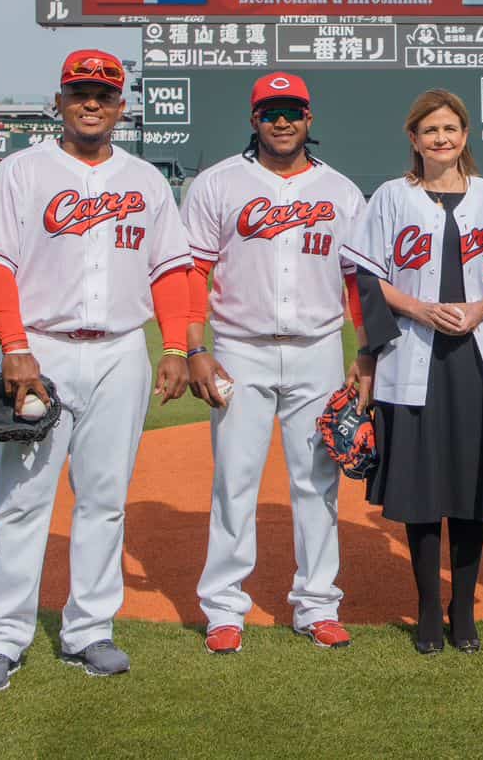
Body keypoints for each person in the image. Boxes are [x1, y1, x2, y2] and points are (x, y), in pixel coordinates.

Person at [0, 49, 193, 692]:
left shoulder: (145, 180)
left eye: (104, 93)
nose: (92, 102)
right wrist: (14, 347)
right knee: (23, 499)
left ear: (121, 106)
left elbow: (171, 268)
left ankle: (89, 630)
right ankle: (1, 638)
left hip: (121, 351)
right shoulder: (21, 171)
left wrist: (175, 348)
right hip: (43, 351)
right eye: (79, 91)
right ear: (59, 99)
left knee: (105, 500)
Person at [341, 89, 483, 655]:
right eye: (430, 130)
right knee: (423, 488)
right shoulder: (390, 197)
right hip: (414, 354)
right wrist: (418, 308)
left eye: (451, 129)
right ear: (413, 139)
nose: (441, 139)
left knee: (474, 487)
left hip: (479, 359)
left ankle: (465, 606)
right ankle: (430, 606)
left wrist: (481, 308)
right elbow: (367, 273)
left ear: (465, 134)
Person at [181, 72, 369, 655]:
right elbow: (193, 270)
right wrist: (193, 346)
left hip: (316, 349)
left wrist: (365, 353)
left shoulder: (341, 191)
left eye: (291, 111)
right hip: (239, 348)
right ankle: (223, 607)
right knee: (234, 482)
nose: (280, 122)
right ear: (253, 119)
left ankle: (317, 604)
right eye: (269, 112)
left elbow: (357, 280)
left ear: (309, 119)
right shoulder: (218, 184)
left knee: (317, 482)